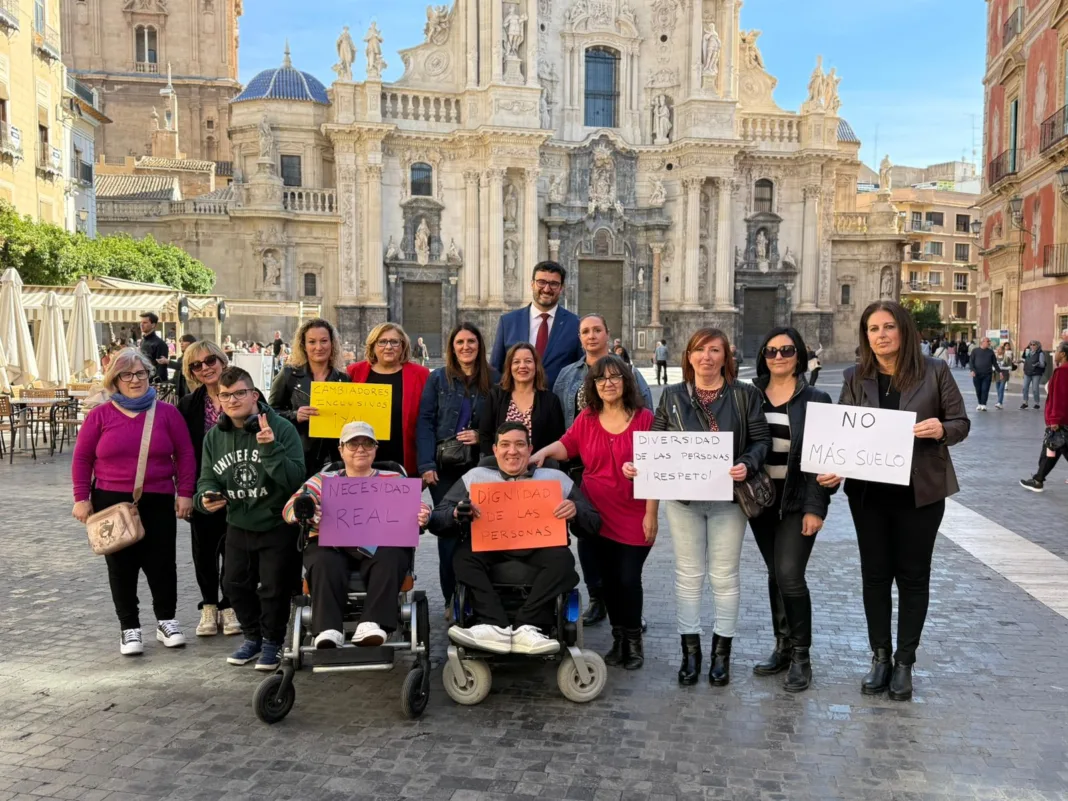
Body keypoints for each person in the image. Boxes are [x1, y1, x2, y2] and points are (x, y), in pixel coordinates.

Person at [818, 300, 970, 701]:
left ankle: (905, 662)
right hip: (869, 495)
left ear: (903, 330)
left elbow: (961, 423)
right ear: (866, 336)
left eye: (888, 327)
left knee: (914, 575)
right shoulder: (855, 377)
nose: (881, 335)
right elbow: (841, 432)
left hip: (921, 492)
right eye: (872, 329)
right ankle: (880, 657)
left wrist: (941, 428)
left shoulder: (935, 372)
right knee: (875, 575)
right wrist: (833, 467)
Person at [639, 328, 771, 687]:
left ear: (725, 357)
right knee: (688, 576)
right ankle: (690, 654)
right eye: (700, 350)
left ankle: (720, 656)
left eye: (715, 350)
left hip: (729, 501)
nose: (707, 357)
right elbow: (656, 440)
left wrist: (748, 462)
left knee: (724, 577)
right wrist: (641, 464)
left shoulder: (745, 395)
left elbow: (761, 439)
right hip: (684, 502)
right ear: (689, 356)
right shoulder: (672, 395)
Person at [428, 422, 600, 655]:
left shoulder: (555, 478)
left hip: (541, 547)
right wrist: (456, 513)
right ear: (495, 450)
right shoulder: (475, 477)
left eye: (520, 444)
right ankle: (494, 625)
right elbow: (437, 519)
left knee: (563, 562)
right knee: (462, 557)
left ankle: (526, 627)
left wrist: (576, 511)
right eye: (505, 445)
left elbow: (594, 523)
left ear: (531, 449)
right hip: (491, 547)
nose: (512, 451)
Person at [71, 348, 196, 655]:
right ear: (115, 379)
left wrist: (185, 492)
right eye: (127, 374)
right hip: (111, 500)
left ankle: (167, 621)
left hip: (157, 497)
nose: (135, 380)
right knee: (121, 566)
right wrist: (80, 498)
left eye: (141, 373)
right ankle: (130, 628)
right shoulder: (100, 415)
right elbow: (82, 458)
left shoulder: (167, 413)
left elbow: (185, 454)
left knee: (162, 564)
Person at [533, 356, 655, 669]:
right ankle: (619, 639)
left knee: (628, 578)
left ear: (626, 381)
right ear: (594, 386)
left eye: (615, 377)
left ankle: (634, 641)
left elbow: (656, 470)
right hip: (595, 514)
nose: (608, 384)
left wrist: (651, 514)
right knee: (607, 582)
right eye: (601, 380)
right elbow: (566, 446)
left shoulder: (644, 419)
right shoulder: (587, 418)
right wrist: (543, 453)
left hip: (634, 512)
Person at [283, 421, 433, 648]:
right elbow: (289, 509)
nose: (360, 449)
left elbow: (420, 507)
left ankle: (373, 624)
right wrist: (308, 512)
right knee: (324, 560)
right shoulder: (322, 481)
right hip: (332, 546)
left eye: (367, 443)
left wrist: (424, 513)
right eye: (353, 444)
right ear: (341, 449)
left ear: (375, 449)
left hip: (379, 547)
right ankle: (327, 629)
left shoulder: (394, 480)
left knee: (391, 555)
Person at [195, 367, 306, 671]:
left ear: (254, 395)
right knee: (234, 585)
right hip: (238, 523)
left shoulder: (282, 428)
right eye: (225, 395)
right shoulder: (214, 437)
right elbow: (206, 479)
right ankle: (252, 637)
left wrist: (269, 448)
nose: (232, 400)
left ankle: (272, 642)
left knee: (273, 588)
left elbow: (295, 480)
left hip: (277, 523)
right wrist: (205, 497)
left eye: (239, 393)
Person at [747, 327, 832, 693]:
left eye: (786, 350)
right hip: (762, 499)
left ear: (799, 354)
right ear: (762, 356)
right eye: (771, 351)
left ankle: (801, 655)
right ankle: (782, 646)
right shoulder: (749, 397)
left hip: (798, 498)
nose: (778, 357)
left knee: (790, 574)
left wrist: (816, 507)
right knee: (774, 573)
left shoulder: (816, 398)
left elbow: (823, 458)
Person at [553, 314, 652, 626]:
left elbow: (649, 423)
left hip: (624, 474)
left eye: (597, 330)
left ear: (608, 334)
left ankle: (626, 610)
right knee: (590, 541)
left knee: (625, 563)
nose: (592, 336)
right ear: (579, 338)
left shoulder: (631, 376)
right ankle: (599, 598)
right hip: (581, 472)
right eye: (586, 331)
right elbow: (560, 426)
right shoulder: (566, 376)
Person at [417, 323, 499, 619]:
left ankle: (479, 596)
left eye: (472, 341)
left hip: (482, 467)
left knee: (481, 532)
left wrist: (481, 435)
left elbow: (501, 422)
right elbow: (425, 421)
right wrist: (425, 465)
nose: (466, 347)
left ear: (480, 345)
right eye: (460, 342)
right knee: (449, 534)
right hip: (444, 470)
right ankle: (452, 598)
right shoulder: (438, 379)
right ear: (452, 347)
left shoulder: (495, 379)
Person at [176, 340, 241, 638]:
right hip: (204, 488)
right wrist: (185, 492)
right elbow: (183, 453)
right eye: (196, 365)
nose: (205, 368)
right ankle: (209, 607)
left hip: (240, 487)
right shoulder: (189, 404)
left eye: (210, 360)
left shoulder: (242, 392)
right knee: (203, 551)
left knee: (234, 550)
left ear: (222, 360)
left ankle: (230, 606)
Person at [270, 318, 351, 479]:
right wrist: (294, 415)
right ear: (304, 345)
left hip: (335, 460)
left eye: (324, 341)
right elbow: (269, 412)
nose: (318, 347)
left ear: (332, 344)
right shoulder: (288, 375)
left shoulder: (344, 379)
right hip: (298, 455)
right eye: (312, 342)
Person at [347, 323, 430, 478]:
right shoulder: (354, 372)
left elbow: (429, 419)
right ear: (373, 346)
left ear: (403, 346)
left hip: (405, 458)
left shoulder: (421, 375)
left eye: (394, 342)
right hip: (361, 458)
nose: (388, 347)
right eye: (382, 342)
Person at [490, 261, 583, 388]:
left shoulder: (575, 324)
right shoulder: (508, 322)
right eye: (541, 282)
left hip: (558, 405)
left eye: (554, 284)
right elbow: (496, 369)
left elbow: (580, 371)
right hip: (515, 404)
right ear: (532, 284)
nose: (546, 289)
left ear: (561, 288)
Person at [480, 343, 565, 458]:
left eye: (528, 361)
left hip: (538, 468)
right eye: (516, 362)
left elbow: (556, 441)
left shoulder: (550, 401)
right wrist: (500, 463)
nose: (522, 366)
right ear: (509, 367)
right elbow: (485, 435)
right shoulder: (496, 395)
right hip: (499, 467)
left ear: (536, 366)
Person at [1020, 342, 1068, 491]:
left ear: (1064, 354)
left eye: (1057, 350)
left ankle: (1038, 480)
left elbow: (1060, 398)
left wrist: (1054, 419)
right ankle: (1038, 479)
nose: (1055, 353)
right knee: (1051, 450)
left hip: (1061, 421)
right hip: (1062, 421)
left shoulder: (1062, 372)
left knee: (1054, 448)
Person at [139, 312, 170, 382]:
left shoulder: (160, 344)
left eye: (145, 322)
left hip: (154, 384)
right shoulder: (143, 341)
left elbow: (161, 370)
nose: (141, 324)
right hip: (143, 380)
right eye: (141, 322)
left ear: (153, 325)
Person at [969, 336, 996, 412]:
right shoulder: (975, 351)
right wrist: (972, 370)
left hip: (987, 374)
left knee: (985, 389)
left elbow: (995, 363)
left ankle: (984, 404)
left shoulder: (990, 352)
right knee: (978, 390)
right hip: (977, 374)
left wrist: (1000, 371)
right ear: (982, 342)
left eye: (989, 341)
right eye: (988, 341)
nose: (989, 343)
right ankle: (979, 403)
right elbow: (971, 362)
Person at [168, 334, 197, 400]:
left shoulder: (194, 356)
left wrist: (168, 362)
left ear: (191, 343)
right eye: (180, 341)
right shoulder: (180, 358)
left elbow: (185, 367)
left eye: (184, 341)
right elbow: (175, 378)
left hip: (191, 393)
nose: (181, 343)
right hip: (180, 395)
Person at [1021, 340, 1047, 409]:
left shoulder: (1040, 353)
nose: (1032, 346)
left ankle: (1037, 403)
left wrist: (1037, 364)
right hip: (1027, 372)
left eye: (1034, 344)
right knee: (1024, 387)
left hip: (1036, 373)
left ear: (1037, 345)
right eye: (1031, 344)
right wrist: (1021, 361)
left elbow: (1042, 365)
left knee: (1035, 389)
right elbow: (1026, 360)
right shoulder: (1027, 352)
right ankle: (1025, 402)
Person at [993, 341, 1014, 410]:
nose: (997, 351)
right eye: (997, 350)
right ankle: (1000, 403)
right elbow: (992, 366)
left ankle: (999, 402)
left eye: (999, 350)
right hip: (997, 375)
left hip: (1004, 375)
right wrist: (994, 368)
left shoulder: (1007, 358)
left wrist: (1001, 368)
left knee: (1001, 389)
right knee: (998, 389)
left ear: (1003, 350)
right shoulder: (994, 358)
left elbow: (1010, 367)